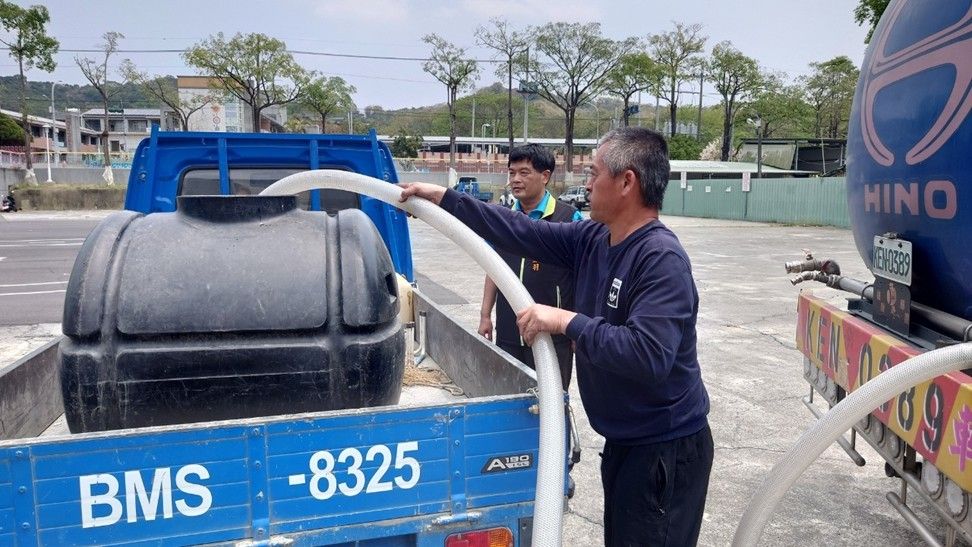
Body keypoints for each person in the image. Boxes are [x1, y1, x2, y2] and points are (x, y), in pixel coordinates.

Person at [400, 127, 712, 547]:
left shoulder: (659, 259)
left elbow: (648, 354)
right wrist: (444, 200)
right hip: (626, 441)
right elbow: (519, 231)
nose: (586, 182)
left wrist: (567, 321)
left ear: (626, 182)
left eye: (594, 172)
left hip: (664, 448)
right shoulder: (594, 239)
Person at [479, 144, 582, 388]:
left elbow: (584, 276)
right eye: (512, 173)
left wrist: (579, 326)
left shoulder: (569, 219)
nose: (515, 179)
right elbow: (493, 270)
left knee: (552, 402)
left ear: (545, 176)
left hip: (553, 336)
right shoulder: (502, 220)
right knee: (509, 398)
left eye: (524, 173)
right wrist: (485, 315)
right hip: (509, 331)